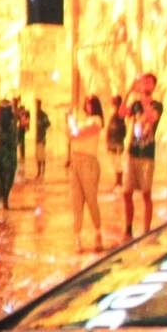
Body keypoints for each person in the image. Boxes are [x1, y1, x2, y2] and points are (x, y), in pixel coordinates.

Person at [123, 73, 162, 239]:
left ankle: (146, 229)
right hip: (133, 152)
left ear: (153, 86)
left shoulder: (157, 105)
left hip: (147, 154)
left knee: (146, 193)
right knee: (127, 192)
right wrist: (129, 92)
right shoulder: (136, 104)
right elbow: (121, 113)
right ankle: (128, 228)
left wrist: (143, 99)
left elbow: (151, 118)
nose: (145, 85)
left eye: (149, 82)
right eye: (143, 82)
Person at [68, 95, 105, 252]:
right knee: (77, 201)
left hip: (88, 163)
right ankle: (77, 237)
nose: (87, 106)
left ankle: (98, 233)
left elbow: (78, 134)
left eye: (90, 103)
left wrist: (72, 124)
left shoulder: (96, 121)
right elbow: (72, 135)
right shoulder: (83, 121)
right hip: (76, 161)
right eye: (86, 103)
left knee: (91, 199)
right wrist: (73, 126)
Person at [106, 93, 126, 192]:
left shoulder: (119, 114)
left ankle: (119, 183)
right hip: (113, 143)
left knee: (118, 163)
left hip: (117, 142)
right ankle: (117, 183)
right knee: (115, 163)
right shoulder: (114, 114)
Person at [34, 100, 50, 178]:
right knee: (37, 155)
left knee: (42, 155)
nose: (36, 106)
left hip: (41, 138)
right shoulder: (36, 115)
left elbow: (48, 124)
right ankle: (39, 171)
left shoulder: (43, 115)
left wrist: (43, 129)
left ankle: (42, 171)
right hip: (37, 138)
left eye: (37, 105)